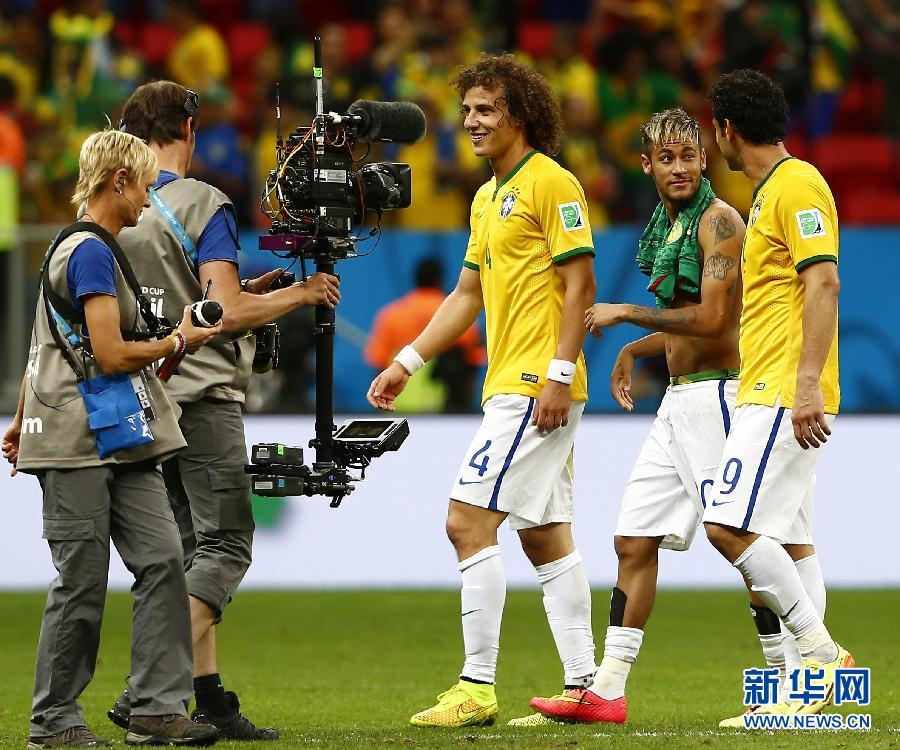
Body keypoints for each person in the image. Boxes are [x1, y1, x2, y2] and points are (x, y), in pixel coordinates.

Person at [533, 108, 814, 725]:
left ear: (705, 158)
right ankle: (607, 690)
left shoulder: (718, 222)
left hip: (720, 396)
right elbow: (688, 324)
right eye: (668, 158)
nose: (681, 167)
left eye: (690, 155)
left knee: (744, 539)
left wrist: (629, 317)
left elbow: (716, 322)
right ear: (648, 165)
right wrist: (639, 349)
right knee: (632, 541)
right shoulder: (668, 225)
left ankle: (794, 678)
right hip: (680, 399)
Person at [367, 53, 599, 727]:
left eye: (486, 109)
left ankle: (476, 687)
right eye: (467, 110)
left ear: (520, 114)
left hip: (535, 384)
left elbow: (581, 283)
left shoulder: (551, 183)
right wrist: (408, 358)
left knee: (465, 521)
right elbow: (467, 294)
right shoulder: (486, 195)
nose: (471, 122)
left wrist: (557, 374)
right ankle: (584, 688)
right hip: (516, 382)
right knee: (547, 535)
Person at [108, 80, 340, 741]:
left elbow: (200, 297)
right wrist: (300, 294)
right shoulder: (204, 200)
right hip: (204, 394)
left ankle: (204, 698)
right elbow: (227, 312)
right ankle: (148, 690)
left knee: (183, 552)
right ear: (187, 129)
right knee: (227, 542)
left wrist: (252, 291)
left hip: (146, 396)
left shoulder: (121, 209)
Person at [1, 129, 221, 747]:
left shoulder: (82, 247)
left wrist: (21, 415)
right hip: (78, 439)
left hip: (115, 436)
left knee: (163, 558)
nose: (148, 203)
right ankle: (54, 722)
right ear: (118, 181)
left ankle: (155, 708)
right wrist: (180, 341)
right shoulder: (93, 252)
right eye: (145, 189)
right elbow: (112, 352)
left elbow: (46, 342)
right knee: (82, 577)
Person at [702, 69, 851, 726]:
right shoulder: (770, 194)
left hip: (782, 393)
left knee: (726, 526)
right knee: (791, 541)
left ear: (726, 130)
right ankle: (809, 694)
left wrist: (808, 384)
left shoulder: (797, 186)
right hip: (767, 389)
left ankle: (820, 657)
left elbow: (824, 284)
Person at [364, 256, 484, 412]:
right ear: (439, 280)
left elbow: (378, 364)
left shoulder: (390, 315)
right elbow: (472, 364)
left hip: (396, 407)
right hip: (447, 414)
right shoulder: (460, 315)